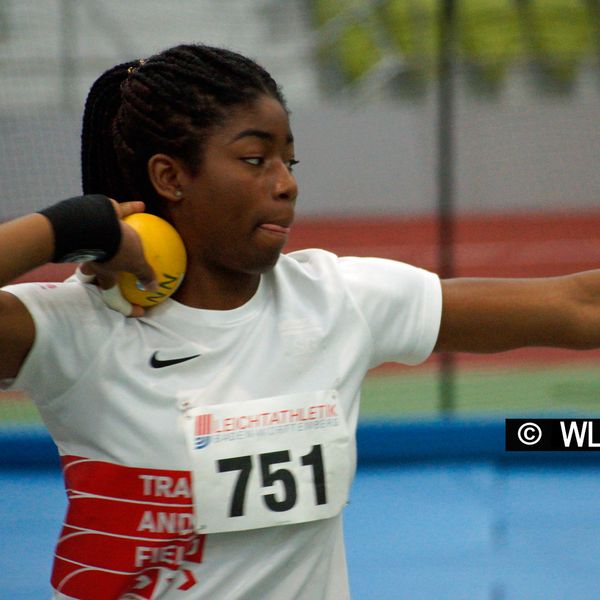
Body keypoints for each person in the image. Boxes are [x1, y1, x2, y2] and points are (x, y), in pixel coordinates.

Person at [0, 43, 598, 600]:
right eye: (256, 159)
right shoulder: (75, 327)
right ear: (170, 177)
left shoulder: (337, 299)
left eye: (289, 160)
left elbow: (577, 305)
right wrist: (67, 228)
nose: (286, 184)